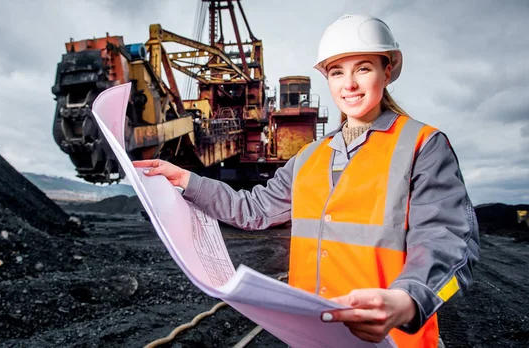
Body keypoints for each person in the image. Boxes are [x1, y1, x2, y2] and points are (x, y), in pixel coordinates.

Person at [134, 14, 480, 348]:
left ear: (386, 71)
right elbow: (253, 209)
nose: (350, 84)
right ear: (327, 80)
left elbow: (451, 244)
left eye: (363, 68)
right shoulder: (309, 157)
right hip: (315, 336)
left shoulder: (423, 146)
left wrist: (407, 300)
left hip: (391, 340)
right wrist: (188, 180)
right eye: (336, 72)